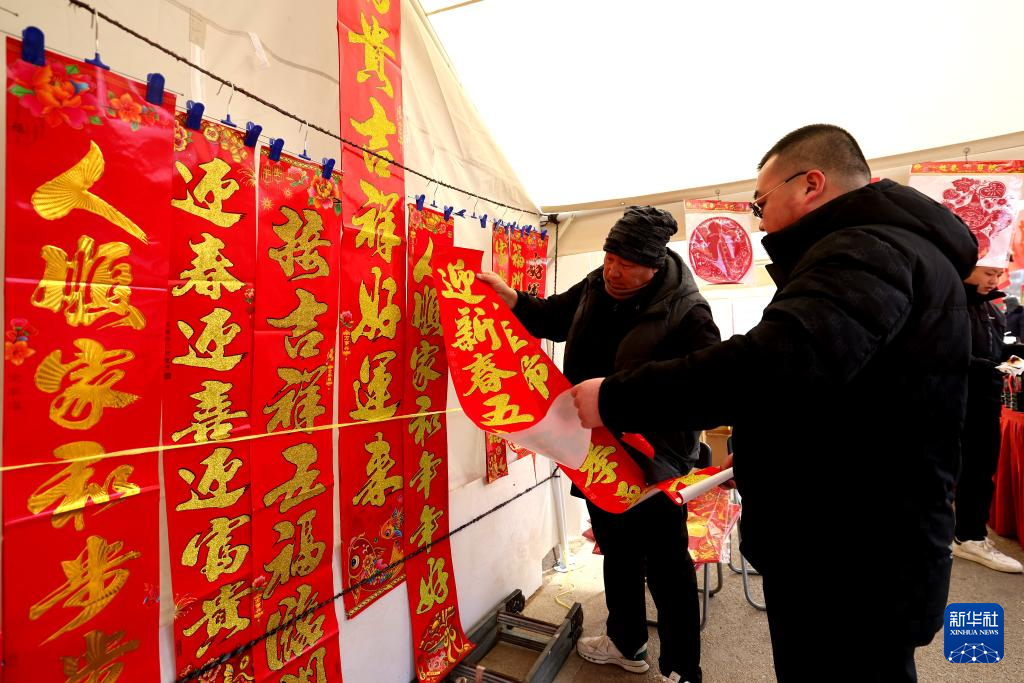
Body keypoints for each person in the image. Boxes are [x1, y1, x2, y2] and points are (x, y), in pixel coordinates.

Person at [571, 124, 979, 681]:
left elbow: (773, 364)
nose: (759, 220)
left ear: (811, 183)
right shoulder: (883, 247)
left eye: (761, 202)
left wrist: (615, 397)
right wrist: (769, 447)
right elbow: (842, 390)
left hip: (853, 548)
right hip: (853, 526)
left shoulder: (867, 250)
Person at [478, 206, 720, 683]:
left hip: (653, 457)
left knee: (666, 565)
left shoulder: (688, 313)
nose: (613, 271)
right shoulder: (596, 284)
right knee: (616, 547)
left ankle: (681, 669)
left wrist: (616, 402)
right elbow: (554, 317)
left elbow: (704, 398)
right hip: (593, 449)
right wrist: (514, 299)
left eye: (627, 264)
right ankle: (626, 643)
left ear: (654, 267)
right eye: (610, 257)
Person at [955, 266, 1024, 572]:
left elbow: (999, 349)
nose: (995, 281)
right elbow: (946, 353)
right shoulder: (951, 304)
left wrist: (1016, 356)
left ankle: (970, 534)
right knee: (967, 470)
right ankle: (967, 536)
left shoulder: (991, 308)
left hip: (986, 404)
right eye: (988, 273)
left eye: (998, 274)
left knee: (981, 471)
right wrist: (991, 367)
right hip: (956, 403)